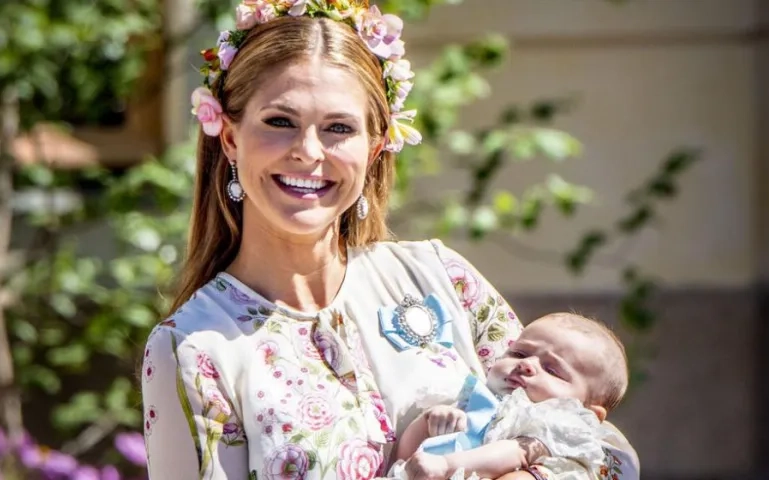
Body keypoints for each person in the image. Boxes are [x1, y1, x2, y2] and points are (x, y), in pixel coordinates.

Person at [140, 1, 640, 479]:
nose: (309, 152)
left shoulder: (441, 278)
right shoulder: (192, 348)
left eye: (338, 128)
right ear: (229, 137)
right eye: (280, 122)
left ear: (375, 148)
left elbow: (607, 449)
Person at [391, 313, 636, 480]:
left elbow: (515, 452)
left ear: (589, 414)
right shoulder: (474, 400)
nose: (527, 365)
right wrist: (425, 424)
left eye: (552, 370)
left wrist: (446, 466)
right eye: (519, 353)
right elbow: (405, 460)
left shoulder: (559, 424)